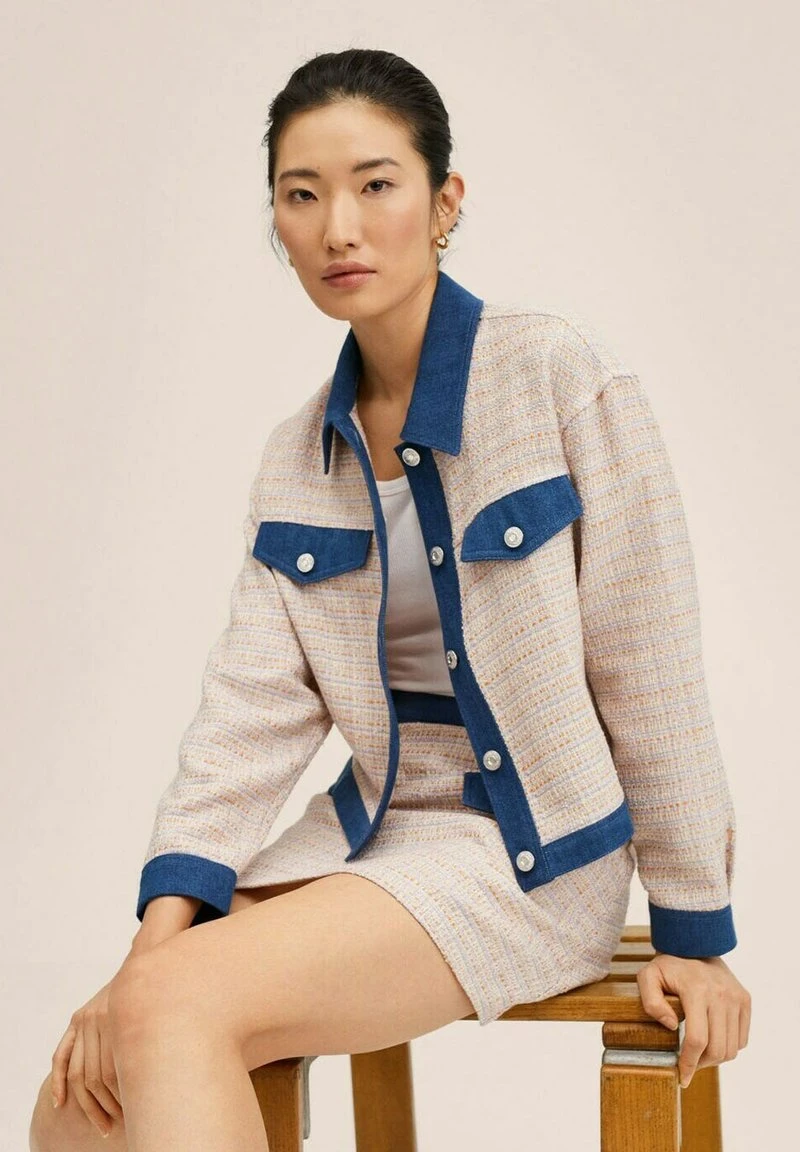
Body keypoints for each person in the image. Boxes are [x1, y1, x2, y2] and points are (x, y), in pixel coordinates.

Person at [30, 46, 751, 1151]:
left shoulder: (558, 379)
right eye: (301, 195)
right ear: (276, 221)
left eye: (375, 185)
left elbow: (647, 665)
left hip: (529, 860)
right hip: (364, 844)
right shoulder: (296, 459)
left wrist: (695, 933)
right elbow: (242, 724)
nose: (339, 229)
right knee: (82, 1097)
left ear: (444, 201)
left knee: (167, 1012)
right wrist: (150, 948)